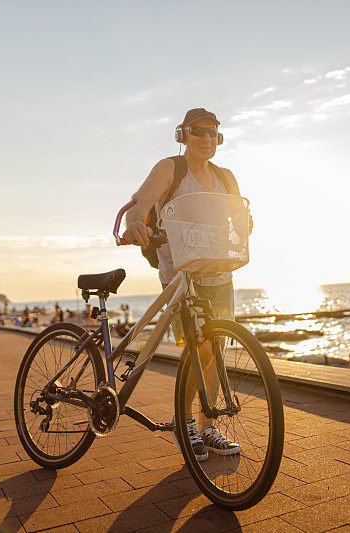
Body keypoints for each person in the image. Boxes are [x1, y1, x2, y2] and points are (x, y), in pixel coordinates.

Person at [120, 108, 243, 461]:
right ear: (183, 135)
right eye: (199, 132)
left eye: (213, 134)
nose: (206, 139)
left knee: (216, 350)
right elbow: (140, 203)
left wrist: (247, 225)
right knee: (198, 349)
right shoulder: (170, 169)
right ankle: (183, 420)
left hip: (220, 273)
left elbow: (239, 218)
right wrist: (135, 223)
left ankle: (207, 425)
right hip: (181, 274)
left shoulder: (226, 177)